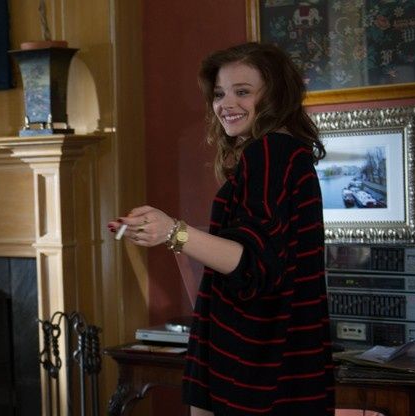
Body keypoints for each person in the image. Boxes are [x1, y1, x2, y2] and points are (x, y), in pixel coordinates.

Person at [108, 42, 335, 415]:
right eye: (219, 94)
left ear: (275, 96)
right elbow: (254, 250)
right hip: (260, 356)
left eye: (242, 92)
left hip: (258, 364)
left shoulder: (271, 153)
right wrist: (165, 231)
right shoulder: (283, 155)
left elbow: (256, 263)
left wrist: (173, 232)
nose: (226, 104)